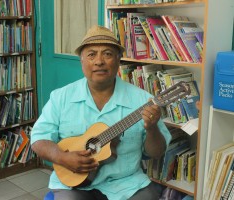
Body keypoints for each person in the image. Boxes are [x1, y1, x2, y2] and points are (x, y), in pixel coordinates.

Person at [31, 25, 171, 200]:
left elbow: (156, 152)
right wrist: (61, 157)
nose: (99, 61)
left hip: (127, 183)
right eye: (91, 54)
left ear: (119, 60)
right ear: (82, 61)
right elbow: (38, 139)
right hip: (73, 185)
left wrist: (152, 129)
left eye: (107, 54)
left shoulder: (143, 101)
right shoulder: (61, 97)